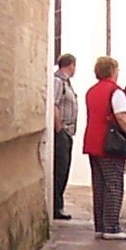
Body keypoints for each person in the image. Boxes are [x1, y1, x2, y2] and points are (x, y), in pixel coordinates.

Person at [80, 55, 126, 240]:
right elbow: (121, 116)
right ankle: (111, 226)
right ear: (112, 71)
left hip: (92, 138)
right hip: (109, 141)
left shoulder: (91, 90)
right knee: (113, 183)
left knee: (99, 184)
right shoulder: (115, 91)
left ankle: (101, 225)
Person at [50, 54, 79, 220]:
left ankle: (58, 204)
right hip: (62, 132)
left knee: (64, 168)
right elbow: (54, 104)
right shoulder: (58, 81)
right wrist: (59, 128)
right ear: (71, 65)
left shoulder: (66, 82)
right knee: (60, 169)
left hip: (68, 132)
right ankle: (56, 206)